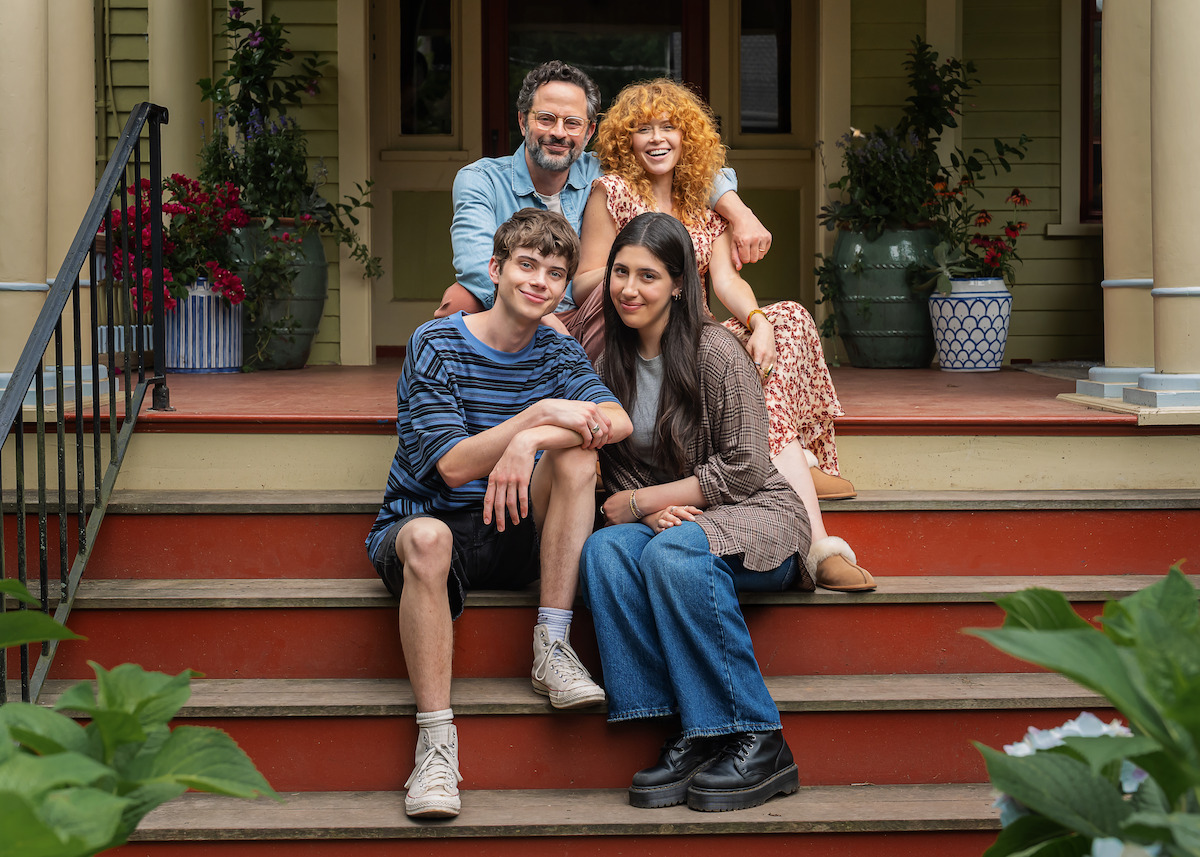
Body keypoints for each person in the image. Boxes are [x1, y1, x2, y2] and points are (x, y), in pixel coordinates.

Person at [365, 209, 633, 819]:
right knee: (430, 539)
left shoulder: (557, 354)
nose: (539, 281)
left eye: (555, 273)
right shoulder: (434, 342)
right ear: (497, 269)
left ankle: (551, 645)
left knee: (577, 464)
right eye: (527, 265)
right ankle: (436, 749)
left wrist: (532, 443)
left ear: (566, 290)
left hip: (512, 531)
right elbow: (454, 466)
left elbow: (619, 421)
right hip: (430, 524)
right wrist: (535, 420)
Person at [577, 78, 874, 592]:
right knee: (724, 352)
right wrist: (636, 281)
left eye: (668, 126)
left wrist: (757, 320)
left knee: (788, 319)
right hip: (636, 331)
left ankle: (785, 459)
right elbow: (588, 277)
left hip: (696, 332)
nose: (656, 138)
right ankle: (801, 501)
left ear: (687, 136)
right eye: (642, 129)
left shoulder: (702, 204)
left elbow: (728, 282)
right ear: (626, 139)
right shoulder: (614, 192)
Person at [580, 212, 802, 812]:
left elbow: (748, 467)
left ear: (680, 284)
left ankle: (761, 738)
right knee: (605, 552)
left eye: (647, 276)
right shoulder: (609, 362)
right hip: (673, 521)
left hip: (756, 514)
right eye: (620, 272)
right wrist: (642, 510)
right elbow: (619, 470)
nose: (629, 288)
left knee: (673, 553)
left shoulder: (715, 352)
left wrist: (645, 503)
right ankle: (693, 732)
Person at [441, 60, 774, 358]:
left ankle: (610, 412)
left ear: (589, 131)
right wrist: (549, 324)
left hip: (595, 311)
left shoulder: (603, 170)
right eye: (545, 119)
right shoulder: (480, 180)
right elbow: (479, 270)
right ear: (523, 122)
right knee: (458, 301)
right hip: (520, 309)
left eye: (572, 123)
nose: (558, 132)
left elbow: (687, 167)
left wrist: (741, 213)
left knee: (613, 291)